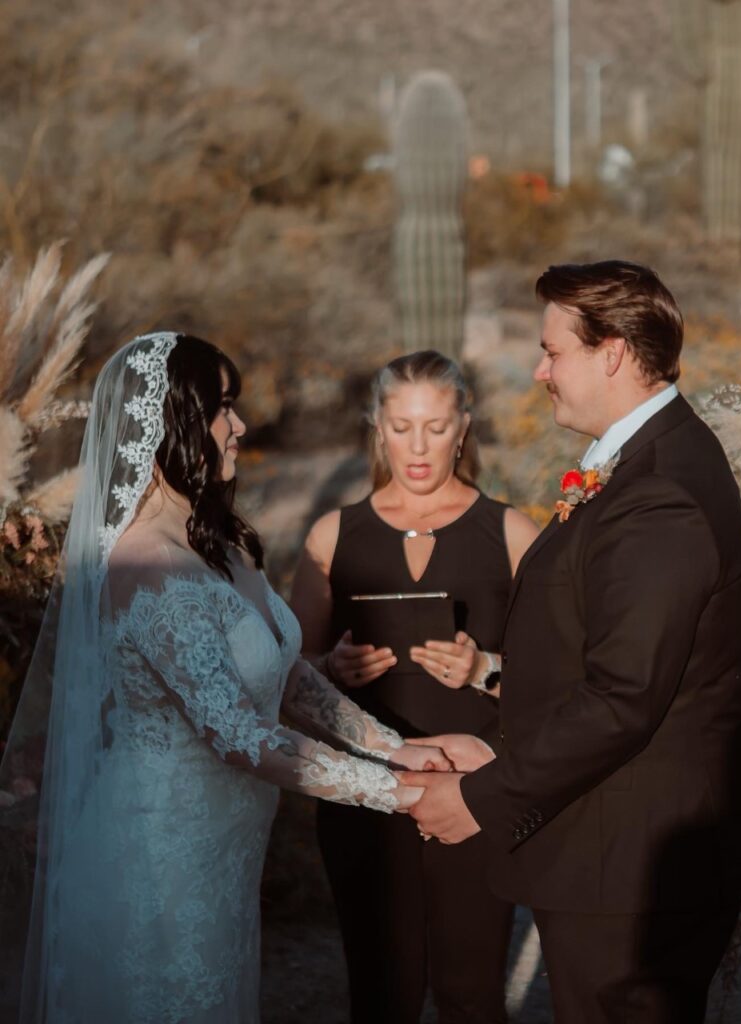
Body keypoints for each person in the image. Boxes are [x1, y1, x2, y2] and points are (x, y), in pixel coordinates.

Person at [0, 332, 449, 1024]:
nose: (239, 426)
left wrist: (393, 747)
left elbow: (284, 673)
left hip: (223, 848)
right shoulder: (143, 566)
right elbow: (238, 736)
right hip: (156, 859)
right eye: (223, 408)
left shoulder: (219, 542)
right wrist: (402, 795)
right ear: (171, 424)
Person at [404, 262, 741, 1024]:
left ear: (611, 353)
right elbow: (603, 659)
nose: (538, 371)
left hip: (631, 867)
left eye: (551, 351)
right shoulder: (641, 462)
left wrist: (482, 798)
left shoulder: (660, 490)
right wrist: (501, 736)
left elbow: (623, 698)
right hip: (612, 845)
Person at [289, 350, 539, 1024]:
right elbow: (284, 673)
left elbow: (560, 682)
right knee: (380, 995)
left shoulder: (514, 533)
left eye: (434, 426)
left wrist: (484, 668)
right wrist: (329, 669)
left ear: (463, 426)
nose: (418, 446)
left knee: (471, 995)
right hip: (365, 799)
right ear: (376, 427)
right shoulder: (330, 536)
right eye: (401, 426)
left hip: (474, 791)